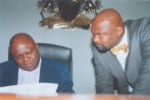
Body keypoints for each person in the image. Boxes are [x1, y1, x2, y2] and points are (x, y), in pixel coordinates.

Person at [91, 8, 150, 95]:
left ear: (119, 31)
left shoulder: (145, 28)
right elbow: (103, 85)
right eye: (93, 34)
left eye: (101, 34)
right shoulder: (98, 47)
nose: (95, 39)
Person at [0, 33, 74, 93]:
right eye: (19, 56)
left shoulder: (59, 70)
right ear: (13, 56)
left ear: (36, 47)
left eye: (29, 53)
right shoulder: (2, 70)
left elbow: (68, 96)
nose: (26, 59)